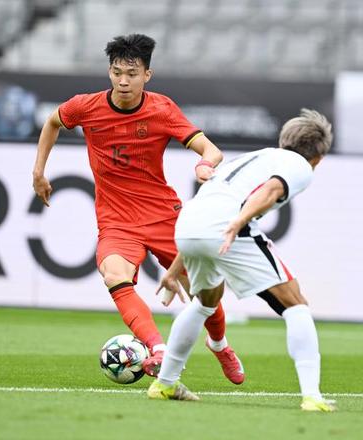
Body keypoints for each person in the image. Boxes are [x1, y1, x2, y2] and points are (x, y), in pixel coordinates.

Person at [32, 33, 244, 382]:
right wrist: (39, 172)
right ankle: (157, 349)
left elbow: (212, 150)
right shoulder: (85, 106)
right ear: (109, 72)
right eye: (117, 72)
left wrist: (204, 165)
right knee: (114, 275)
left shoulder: (162, 109)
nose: (123, 81)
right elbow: (53, 122)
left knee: (204, 291)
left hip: (164, 217)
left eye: (132, 73)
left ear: (147, 74)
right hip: (117, 221)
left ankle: (219, 344)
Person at [147, 109, 336, 412]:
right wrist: (238, 222)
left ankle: (165, 384)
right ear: (319, 157)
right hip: (226, 226)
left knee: (205, 302)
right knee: (296, 304)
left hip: (189, 225)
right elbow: (271, 190)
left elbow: (207, 212)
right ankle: (312, 396)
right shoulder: (300, 165)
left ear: (284, 140)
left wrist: (175, 268)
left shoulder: (256, 157)